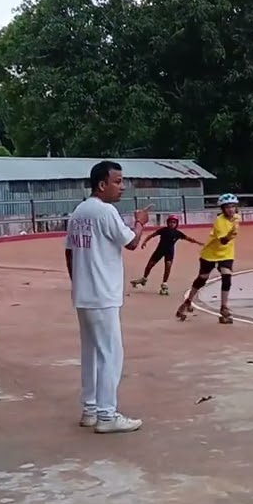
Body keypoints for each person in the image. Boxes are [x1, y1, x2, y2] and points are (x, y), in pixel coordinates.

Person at [65, 161, 151, 434]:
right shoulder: (105, 211)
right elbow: (133, 242)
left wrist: (78, 279)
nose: (122, 187)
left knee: (91, 352)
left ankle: (90, 409)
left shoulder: (79, 212)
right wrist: (139, 222)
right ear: (102, 184)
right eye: (117, 181)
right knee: (111, 354)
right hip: (103, 295)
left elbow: (69, 252)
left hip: (84, 294)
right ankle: (107, 415)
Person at [176, 193, 240, 323]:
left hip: (226, 254)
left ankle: (224, 307)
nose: (230, 209)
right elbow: (223, 241)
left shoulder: (237, 218)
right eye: (227, 207)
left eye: (233, 206)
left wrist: (234, 226)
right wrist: (232, 232)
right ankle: (188, 301)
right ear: (222, 209)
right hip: (210, 253)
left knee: (227, 276)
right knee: (202, 278)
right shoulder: (219, 221)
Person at [130, 215, 200, 295]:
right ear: (167, 223)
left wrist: (198, 242)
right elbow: (152, 235)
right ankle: (144, 279)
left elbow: (188, 239)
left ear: (176, 224)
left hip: (169, 252)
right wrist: (145, 242)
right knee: (149, 265)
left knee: (168, 267)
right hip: (159, 251)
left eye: (174, 222)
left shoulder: (178, 233)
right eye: (170, 222)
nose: (172, 224)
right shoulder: (163, 230)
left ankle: (164, 284)